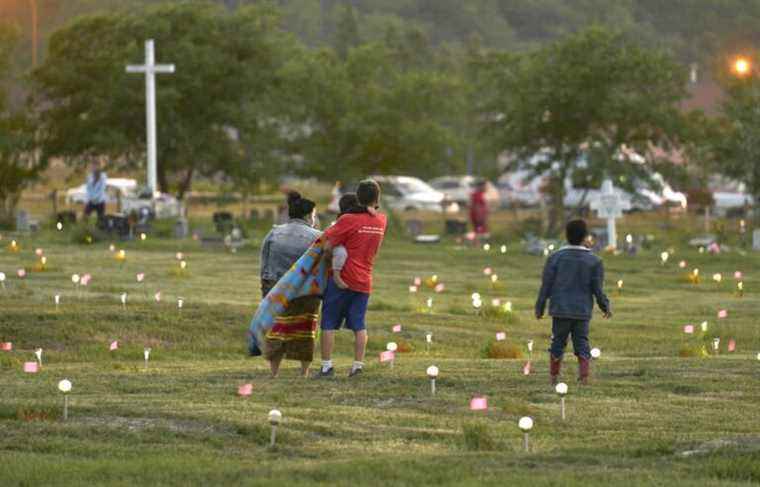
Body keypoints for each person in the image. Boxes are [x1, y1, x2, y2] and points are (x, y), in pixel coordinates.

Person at [317, 180, 387, 378]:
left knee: (328, 323)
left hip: (342, 277)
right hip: (364, 279)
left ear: (358, 196)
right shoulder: (382, 221)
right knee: (359, 324)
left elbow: (327, 241)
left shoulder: (348, 219)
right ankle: (357, 366)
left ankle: (326, 367)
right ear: (377, 198)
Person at [535, 219, 612, 385]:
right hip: (582, 310)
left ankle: (554, 376)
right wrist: (604, 305)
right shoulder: (595, 261)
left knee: (558, 342)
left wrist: (540, 306)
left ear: (566, 235)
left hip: (560, 309)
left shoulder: (555, 258)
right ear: (585, 237)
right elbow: (597, 289)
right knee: (582, 342)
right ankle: (584, 377)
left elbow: (546, 285)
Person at [259, 192, 322, 377]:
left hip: (276, 287)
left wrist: (265, 290)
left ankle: (274, 372)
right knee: (305, 329)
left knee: (276, 328)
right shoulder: (318, 236)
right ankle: (304, 371)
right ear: (308, 215)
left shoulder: (274, 232)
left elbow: (265, 264)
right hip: (305, 292)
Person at [332, 193, 368, 290]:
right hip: (337, 246)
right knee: (341, 252)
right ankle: (336, 276)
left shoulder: (353, 217)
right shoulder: (345, 218)